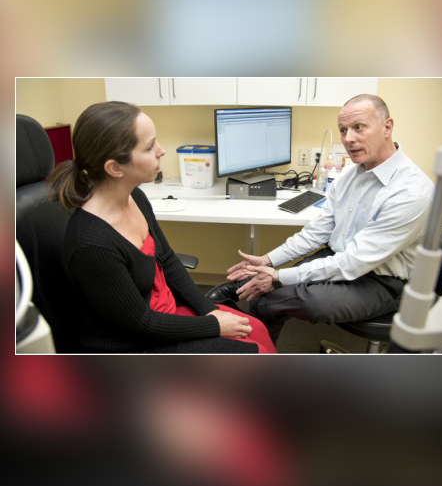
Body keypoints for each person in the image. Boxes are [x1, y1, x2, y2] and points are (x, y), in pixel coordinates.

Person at [48, 101, 276, 353]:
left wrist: (210, 311)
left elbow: (166, 259)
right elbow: (140, 324)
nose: (162, 150)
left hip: (163, 314)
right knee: (254, 352)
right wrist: (213, 325)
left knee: (257, 329)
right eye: (149, 147)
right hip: (135, 344)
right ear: (115, 167)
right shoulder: (91, 244)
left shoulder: (136, 198)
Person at [223, 94, 435, 343]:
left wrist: (278, 276)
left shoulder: (412, 193)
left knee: (274, 296)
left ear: (387, 127)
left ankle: (255, 351)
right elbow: (316, 232)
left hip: (380, 281)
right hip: (336, 257)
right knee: (266, 289)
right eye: (343, 130)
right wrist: (268, 260)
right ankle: (260, 346)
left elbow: (353, 262)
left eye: (359, 127)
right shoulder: (349, 175)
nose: (348, 139)